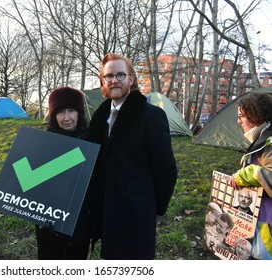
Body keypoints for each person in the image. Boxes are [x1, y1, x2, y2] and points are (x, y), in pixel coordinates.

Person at [87, 53, 177, 260]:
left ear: (131, 78)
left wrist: (153, 207)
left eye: (120, 75)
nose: (114, 80)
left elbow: (166, 169)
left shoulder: (151, 115)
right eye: (109, 76)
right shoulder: (100, 116)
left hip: (136, 211)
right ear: (103, 81)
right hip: (106, 210)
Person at [35, 86, 93, 260]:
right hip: (49, 229)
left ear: (79, 113)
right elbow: (33, 189)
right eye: (60, 112)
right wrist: (38, 218)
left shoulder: (91, 143)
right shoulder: (43, 145)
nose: (66, 117)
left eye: (71, 111)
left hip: (80, 227)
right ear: (53, 116)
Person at [230, 92, 272, 260]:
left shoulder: (269, 142)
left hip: (267, 222)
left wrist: (245, 174)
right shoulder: (261, 138)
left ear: (256, 116)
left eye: (242, 116)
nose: (239, 121)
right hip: (257, 216)